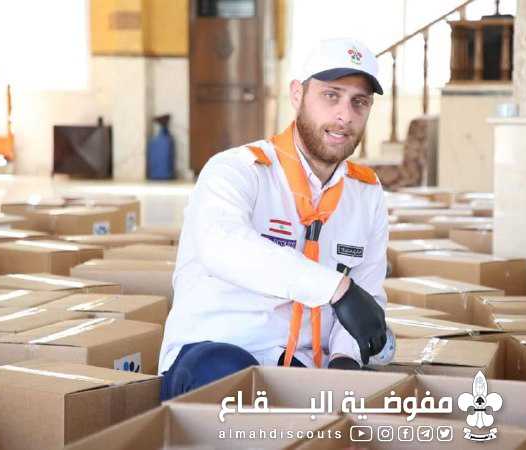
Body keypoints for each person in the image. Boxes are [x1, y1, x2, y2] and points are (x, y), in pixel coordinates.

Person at [158, 38, 390, 401]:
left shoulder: (366, 192)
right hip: (215, 352)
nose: (345, 116)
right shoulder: (236, 169)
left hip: (301, 366)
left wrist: (345, 358)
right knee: (227, 376)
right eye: (331, 95)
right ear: (297, 94)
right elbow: (222, 246)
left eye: (359, 102)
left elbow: (367, 295)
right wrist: (336, 289)